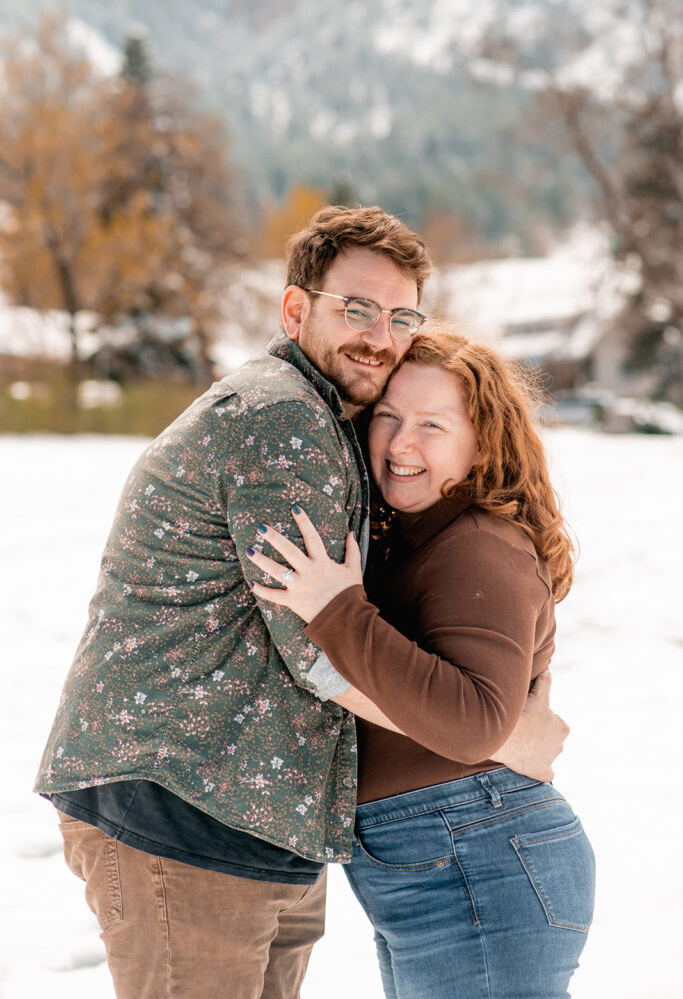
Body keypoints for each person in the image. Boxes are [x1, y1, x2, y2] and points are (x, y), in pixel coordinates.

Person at [34, 208, 568, 999]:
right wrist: (500, 740)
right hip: (184, 805)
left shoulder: (327, 426)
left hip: (257, 817)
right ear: (295, 310)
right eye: (354, 308)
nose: (379, 336)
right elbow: (317, 653)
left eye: (399, 317)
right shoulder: (279, 419)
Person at [247, 326, 595, 999]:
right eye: (388, 417)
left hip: (478, 857)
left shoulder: (478, 546)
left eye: (432, 425)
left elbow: (470, 725)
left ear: (480, 443)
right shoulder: (414, 537)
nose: (401, 444)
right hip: (446, 857)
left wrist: (337, 609)